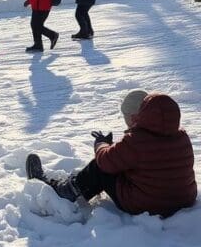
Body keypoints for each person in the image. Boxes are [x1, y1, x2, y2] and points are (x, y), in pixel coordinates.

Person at [26, 92, 197, 217]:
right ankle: (75, 183)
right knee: (120, 161)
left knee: (100, 167)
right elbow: (155, 159)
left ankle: (66, 191)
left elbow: (106, 161)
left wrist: (101, 143)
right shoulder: (182, 137)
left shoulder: (137, 140)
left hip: (147, 204)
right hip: (183, 199)